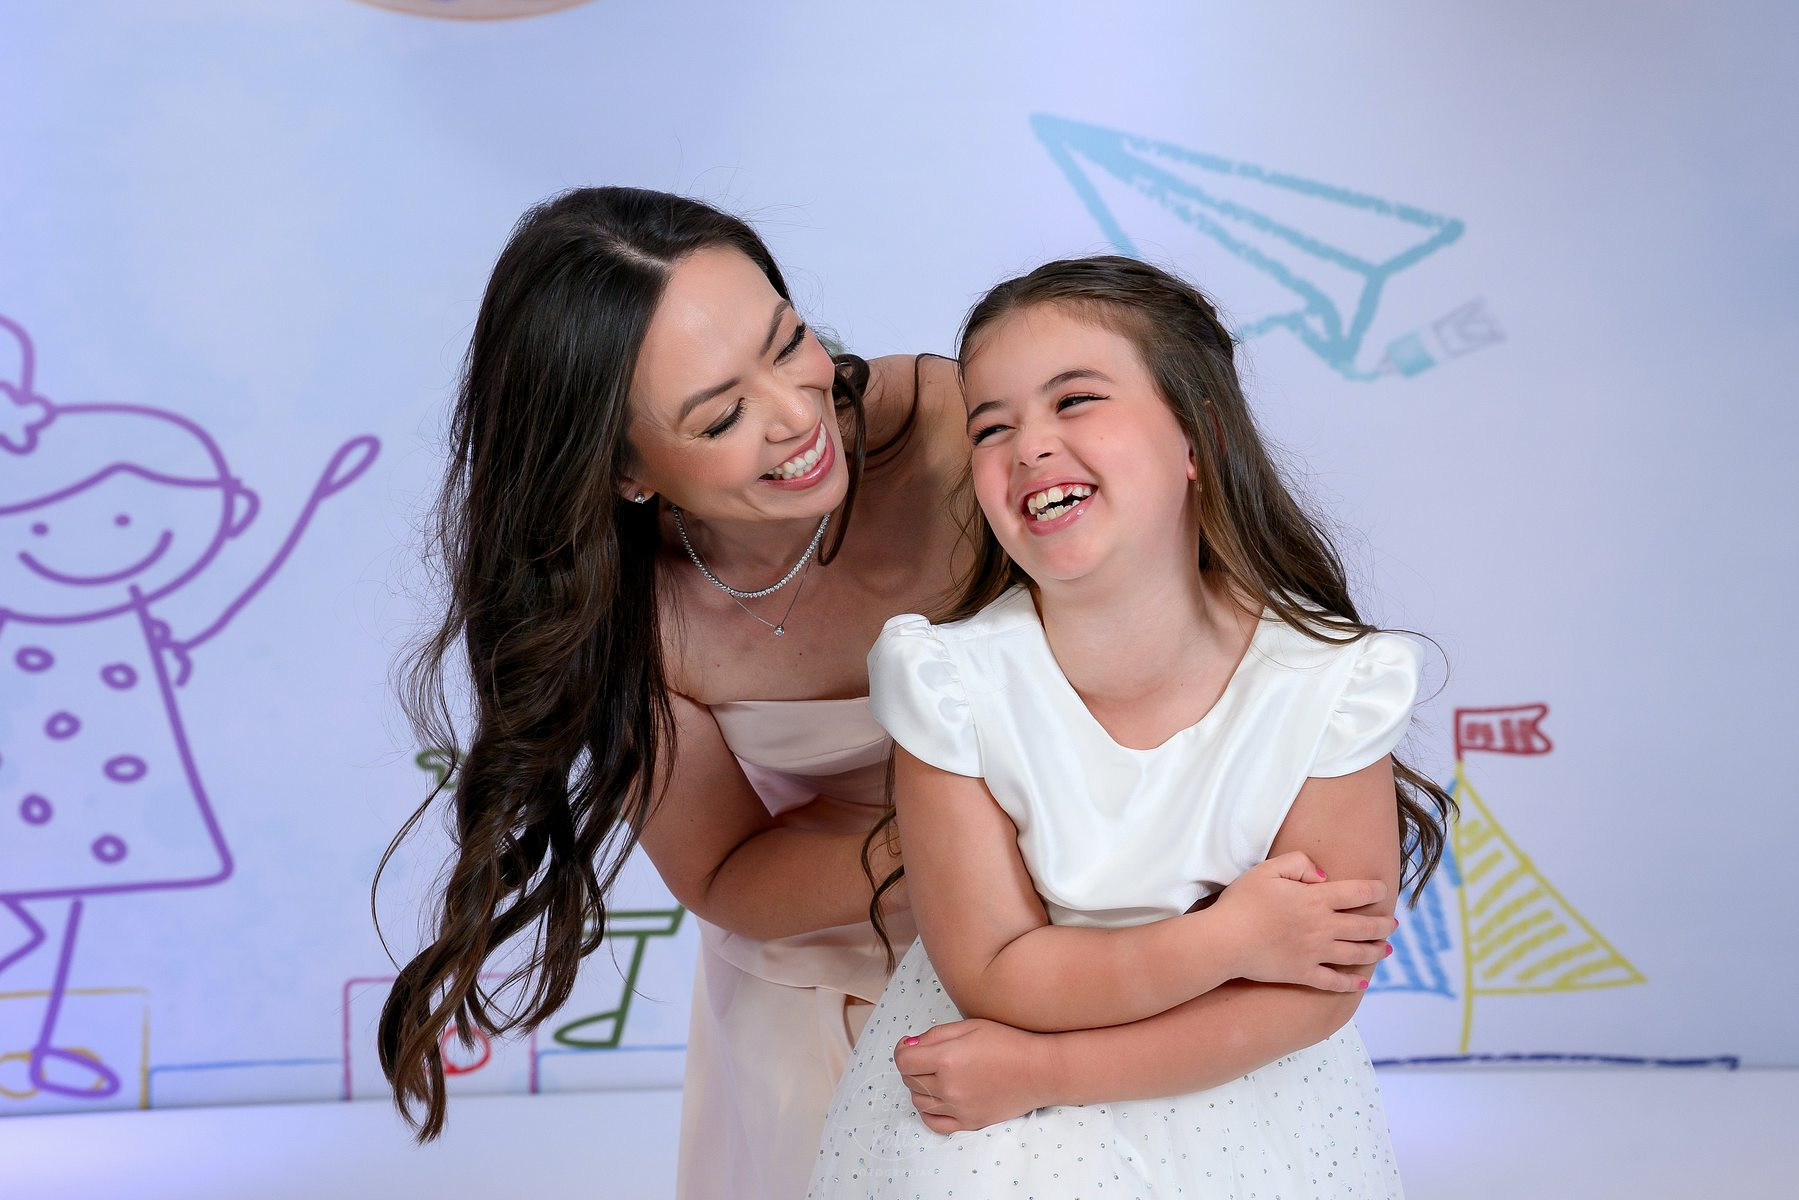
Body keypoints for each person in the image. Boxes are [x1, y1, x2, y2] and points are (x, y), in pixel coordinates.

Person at [376, 190, 1394, 1199]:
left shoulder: (978, 435)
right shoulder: (626, 620)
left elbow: (1183, 626)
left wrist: (1135, 850)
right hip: (831, 955)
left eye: (789, 342)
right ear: (623, 470)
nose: (796, 416)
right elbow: (724, 871)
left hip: (1118, 942)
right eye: (721, 415)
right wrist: (985, 854)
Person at [808, 256, 1454, 1198]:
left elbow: (1313, 993)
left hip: (1239, 1093)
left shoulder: (1329, 683)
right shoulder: (950, 684)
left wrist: (1051, 1071)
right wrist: (1230, 940)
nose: (1029, 445)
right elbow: (993, 970)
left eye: (1074, 401)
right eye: (991, 426)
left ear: (1200, 437)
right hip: (996, 1099)